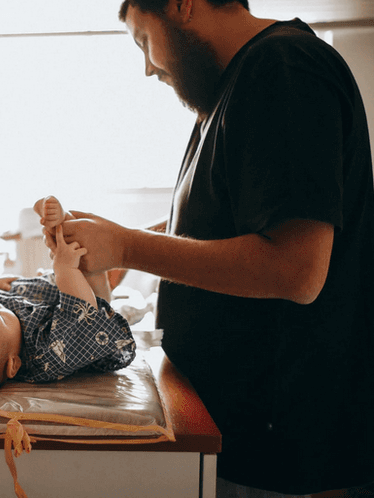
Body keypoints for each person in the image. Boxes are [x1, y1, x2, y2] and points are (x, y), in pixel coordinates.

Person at [49, 0, 374, 497]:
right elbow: (223, 217)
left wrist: (128, 247)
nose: (148, 66)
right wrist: (114, 247)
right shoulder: (235, 87)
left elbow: (296, 270)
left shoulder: (282, 69)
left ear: (182, 5)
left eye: (143, 40)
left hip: (282, 446)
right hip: (242, 432)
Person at [0, 196, 136, 398]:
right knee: (92, 276)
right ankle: (64, 228)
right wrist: (66, 269)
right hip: (83, 306)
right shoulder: (45, 355)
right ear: (13, 365)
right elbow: (83, 315)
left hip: (31, 297)